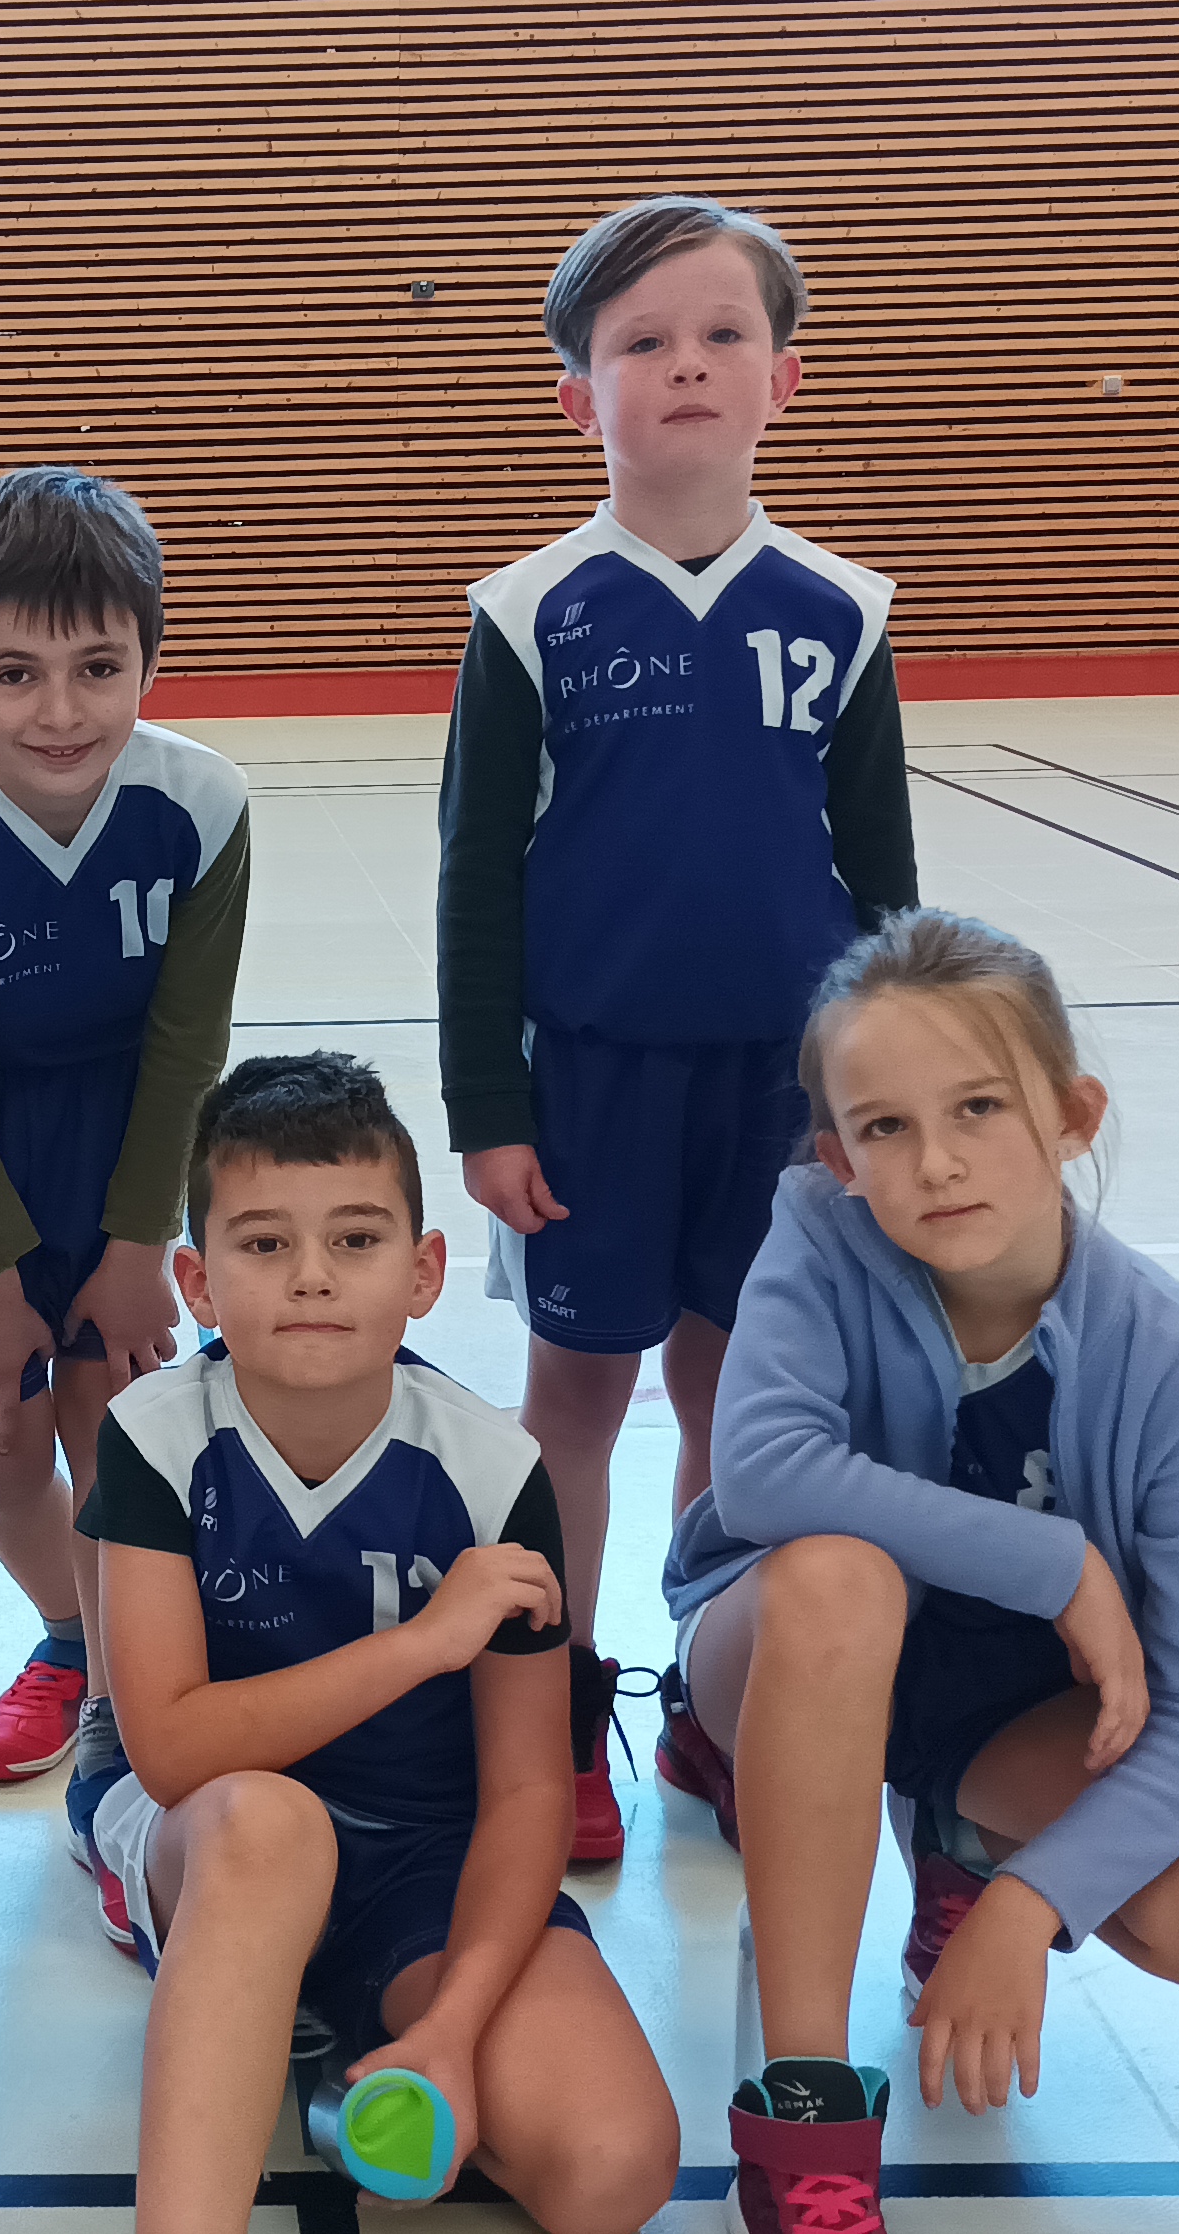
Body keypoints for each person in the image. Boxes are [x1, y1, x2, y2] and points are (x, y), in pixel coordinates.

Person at [658, 911, 1179, 2233]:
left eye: (978, 1106)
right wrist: (1058, 1562)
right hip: (788, 1651)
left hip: (1003, 1710)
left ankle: (968, 1847)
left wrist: (1033, 1902)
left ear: (1073, 1115)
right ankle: (807, 2106)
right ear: (838, 1157)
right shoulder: (820, 1236)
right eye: (885, 1126)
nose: (936, 1161)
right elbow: (764, 1474)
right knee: (842, 1577)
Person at [436, 195, 920, 1865]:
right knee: (574, 1398)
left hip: (781, 1095)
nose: (688, 365)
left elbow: (885, 884)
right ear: (582, 395)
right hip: (595, 1086)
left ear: (785, 377)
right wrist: (489, 1108)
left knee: (734, 1402)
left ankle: (718, 1701)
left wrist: (875, 1100)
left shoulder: (842, 609)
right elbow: (478, 878)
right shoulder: (530, 612)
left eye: (723, 335)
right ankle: (561, 1707)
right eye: (643, 342)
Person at [72, 1053, 678, 2234]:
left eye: (355, 1240)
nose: (311, 1275)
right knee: (269, 1827)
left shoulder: (492, 1468)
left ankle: (349, 2043)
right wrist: (423, 1643)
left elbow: (525, 1795)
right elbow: (174, 1753)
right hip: (215, 1829)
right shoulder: (152, 1436)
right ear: (196, 1282)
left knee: (611, 2166)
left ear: (424, 1271)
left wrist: (453, 2025)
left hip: (421, 1856)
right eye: (263, 1244)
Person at [0, 465, 249, 1787]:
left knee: (114, 1423)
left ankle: (130, 1702)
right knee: (2, 1444)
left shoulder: (202, 805)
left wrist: (140, 1247)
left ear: (149, 661)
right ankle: (70, 1637)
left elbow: (187, 1044)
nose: (61, 710)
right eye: (14, 673)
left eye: (98, 668)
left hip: (137, 1133)